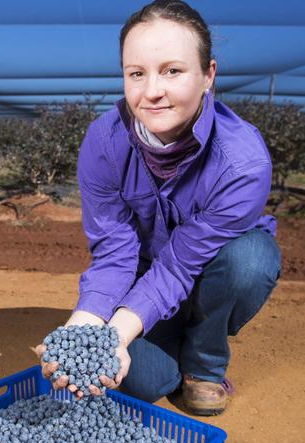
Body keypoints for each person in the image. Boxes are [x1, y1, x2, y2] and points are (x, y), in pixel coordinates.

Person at [35, 0, 281, 416]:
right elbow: (115, 252)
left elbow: (182, 265)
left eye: (172, 70)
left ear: (208, 75)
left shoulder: (242, 163)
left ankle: (204, 363)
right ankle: (171, 336)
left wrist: (120, 327)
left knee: (250, 260)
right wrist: (90, 327)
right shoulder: (104, 143)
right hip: (147, 273)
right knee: (138, 382)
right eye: (136, 74)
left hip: (207, 268)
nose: (152, 91)